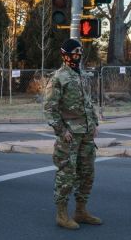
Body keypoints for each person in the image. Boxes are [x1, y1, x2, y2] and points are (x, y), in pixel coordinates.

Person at [44, 39, 102, 230]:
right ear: (64, 55)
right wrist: (62, 131)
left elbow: (88, 102)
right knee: (67, 175)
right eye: (73, 53)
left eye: (79, 53)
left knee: (87, 174)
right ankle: (62, 214)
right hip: (69, 135)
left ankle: (81, 211)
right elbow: (50, 109)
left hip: (86, 133)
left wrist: (94, 123)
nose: (77, 56)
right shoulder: (58, 78)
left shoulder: (82, 75)